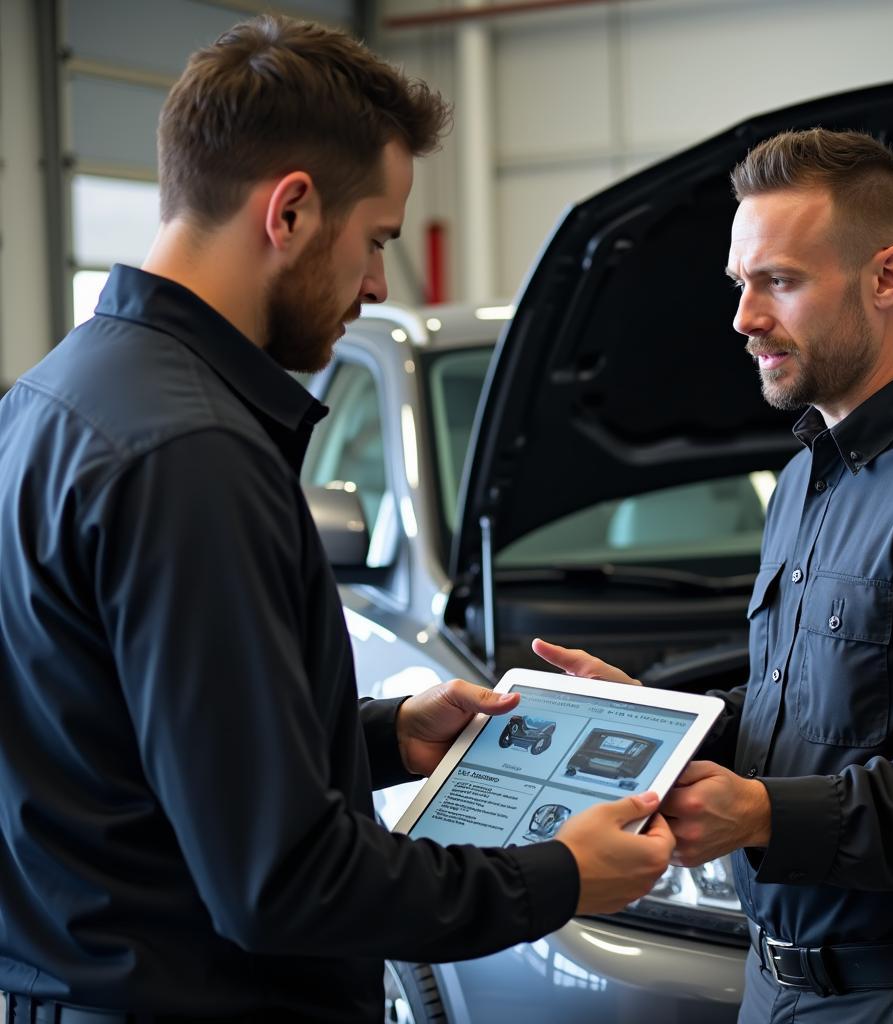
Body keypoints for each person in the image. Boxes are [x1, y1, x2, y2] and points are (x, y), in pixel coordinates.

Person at [0, 15, 674, 1024]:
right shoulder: (193, 455)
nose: (374, 284)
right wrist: (556, 876)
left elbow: (140, 747)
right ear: (292, 209)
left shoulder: (58, 394)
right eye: (378, 241)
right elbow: (283, 883)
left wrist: (380, 735)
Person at [535, 128, 893, 1022]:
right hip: (775, 989)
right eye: (741, 284)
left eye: (780, 282)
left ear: (887, 277)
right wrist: (659, 722)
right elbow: (809, 714)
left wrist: (765, 815)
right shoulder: (803, 476)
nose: (744, 318)